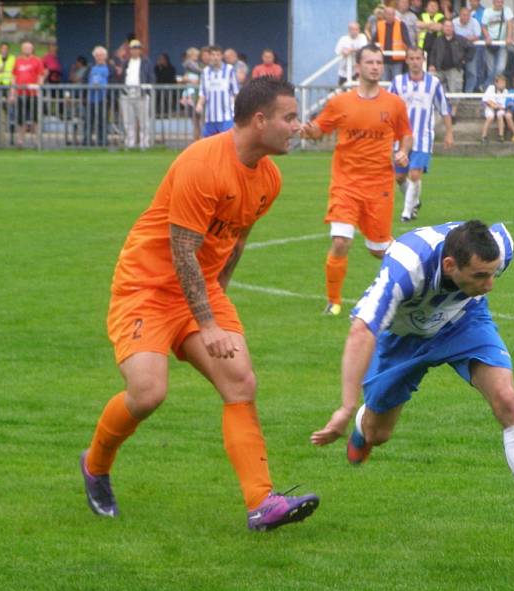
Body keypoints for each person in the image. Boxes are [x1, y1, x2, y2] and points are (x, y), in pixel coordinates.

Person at [79, 77, 319, 531]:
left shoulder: (269, 177)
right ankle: (95, 465)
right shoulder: (202, 164)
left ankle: (261, 503)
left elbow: (237, 238)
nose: (298, 126)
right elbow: (181, 251)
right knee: (148, 393)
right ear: (260, 120)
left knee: (240, 382)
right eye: (290, 117)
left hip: (199, 289)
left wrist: (219, 293)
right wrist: (207, 324)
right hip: (146, 288)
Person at [310, 220, 514, 551]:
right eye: (480, 276)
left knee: (507, 399)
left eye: (494, 273)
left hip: (463, 323)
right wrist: (346, 408)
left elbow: (489, 265)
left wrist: (478, 283)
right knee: (380, 434)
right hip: (402, 340)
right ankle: (365, 426)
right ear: (449, 266)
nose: (490, 284)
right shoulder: (405, 267)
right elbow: (362, 331)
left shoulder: (499, 246)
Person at [300, 44, 412, 316]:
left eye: (378, 62)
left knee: (380, 250)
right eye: (370, 62)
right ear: (358, 67)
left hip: (379, 187)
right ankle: (334, 301)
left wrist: (403, 152)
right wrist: (309, 130)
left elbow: (405, 134)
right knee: (341, 241)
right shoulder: (340, 102)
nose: (375, 66)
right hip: (346, 184)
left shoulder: (394, 103)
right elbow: (319, 130)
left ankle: (411, 281)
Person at [391, 46, 453, 224]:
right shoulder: (398, 82)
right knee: (400, 177)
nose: (415, 62)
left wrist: (449, 132)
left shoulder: (433, 83)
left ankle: (406, 213)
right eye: (411, 58)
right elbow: (388, 107)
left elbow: (444, 108)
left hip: (423, 138)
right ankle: (415, 202)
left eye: (418, 58)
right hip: (401, 139)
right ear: (406, 60)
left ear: (423, 60)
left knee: (415, 174)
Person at [428, 19, 472, 121]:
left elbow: (471, 48)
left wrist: (465, 60)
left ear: (453, 28)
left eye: (450, 26)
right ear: (443, 28)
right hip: (440, 69)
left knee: (455, 90)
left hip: (454, 68)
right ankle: (437, 112)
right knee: (432, 85)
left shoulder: (460, 39)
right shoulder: (438, 40)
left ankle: (453, 114)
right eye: (446, 26)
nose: (448, 28)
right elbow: (433, 53)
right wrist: (431, 64)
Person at [196, 46, 239, 137]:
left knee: (227, 141)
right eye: (213, 55)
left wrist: (236, 108)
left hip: (226, 115)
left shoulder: (229, 70)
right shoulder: (205, 72)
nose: (215, 57)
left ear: (221, 56)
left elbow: (235, 91)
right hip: (210, 116)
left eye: (218, 55)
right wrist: (199, 104)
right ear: (210, 56)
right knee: (209, 144)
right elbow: (203, 93)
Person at [120, 40, 153, 150]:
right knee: (128, 121)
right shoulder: (126, 62)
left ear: (140, 50)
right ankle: (130, 143)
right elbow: (122, 77)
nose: (135, 50)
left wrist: (147, 90)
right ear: (130, 50)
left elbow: (151, 76)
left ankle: (144, 143)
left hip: (141, 93)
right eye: (133, 48)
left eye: (137, 48)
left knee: (144, 120)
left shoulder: (146, 62)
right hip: (127, 93)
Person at [11, 41, 45, 148]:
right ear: (22, 49)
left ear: (32, 49)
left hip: (33, 93)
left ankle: (37, 141)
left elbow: (41, 76)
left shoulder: (37, 61)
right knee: (21, 118)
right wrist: (12, 92)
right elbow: (13, 77)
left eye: (29, 48)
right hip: (20, 93)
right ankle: (20, 140)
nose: (27, 50)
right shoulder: (17, 61)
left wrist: (39, 88)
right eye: (25, 48)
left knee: (36, 118)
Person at [82, 45, 116, 147]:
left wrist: (110, 97)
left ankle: (102, 142)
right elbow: (84, 81)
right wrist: (84, 96)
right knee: (88, 121)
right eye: (97, 55)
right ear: (94, 56)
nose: (99, 57)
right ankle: (87, 141)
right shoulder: (90, 68)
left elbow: (113, 82)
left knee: (103, 121)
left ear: (105, 56)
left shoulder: (110, 68)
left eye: (101, 55)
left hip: (104, 99)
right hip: (90, 99)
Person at [481, 0, 514, 89]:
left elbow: (511, 25)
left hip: (502, 44)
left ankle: (486, 86)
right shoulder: (487, 11)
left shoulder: (507, 10)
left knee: (500, 68)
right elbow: (483, 26)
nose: (499, 4)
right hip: (490, 44)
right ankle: (492, 89)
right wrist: (487, 37)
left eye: (501, 2)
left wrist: (509, 37)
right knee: (491, 69)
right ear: (493, 2)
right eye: (497, 2)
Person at [373, 6, 411, 82]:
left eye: (392, 14)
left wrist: (409, 53)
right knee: (384, 82)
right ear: (385, 15)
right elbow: (374, 40)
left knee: (397, 81)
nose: (390, 16)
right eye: (388, 14)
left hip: (397, 60)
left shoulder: (401, 24)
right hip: (384, 59)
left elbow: (407, 41)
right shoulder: (380, 25)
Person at [480, 73, 514, 142]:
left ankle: (500, 135)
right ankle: (484, 136)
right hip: (490, 107)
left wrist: (499, 107)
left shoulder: (506, 91)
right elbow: (486, 100)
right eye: (501, 82)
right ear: (496, 83)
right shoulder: (491, 88)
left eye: (504, 82)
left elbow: (504, 105)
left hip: (500, 108)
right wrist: (494, 105)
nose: (503, 84)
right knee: (490, 116)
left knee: (500, 114)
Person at [453, 6, 483, 93]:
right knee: (456, 72)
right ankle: (457, 93)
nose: (465, 17)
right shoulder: (454, 22)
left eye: (467, 15)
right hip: (457, 51)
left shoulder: (474, 22)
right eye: (463, 15)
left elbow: (477, 36)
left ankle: (468, 94)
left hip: (470, 51)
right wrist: (467, 39)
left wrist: (462, 39)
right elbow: (452, 36)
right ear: (459, 15)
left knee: (472, 72)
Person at [335, 21, 369, 86]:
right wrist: (343, 51)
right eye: (353, 29)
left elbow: (363, 49)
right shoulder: (343, 39)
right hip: (344, 70)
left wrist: (350, 50)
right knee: (342, 90)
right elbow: (338, 51)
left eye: (357, 29)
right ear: (349, 30)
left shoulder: (362, 37)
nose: (355, 31)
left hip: (357, 71)